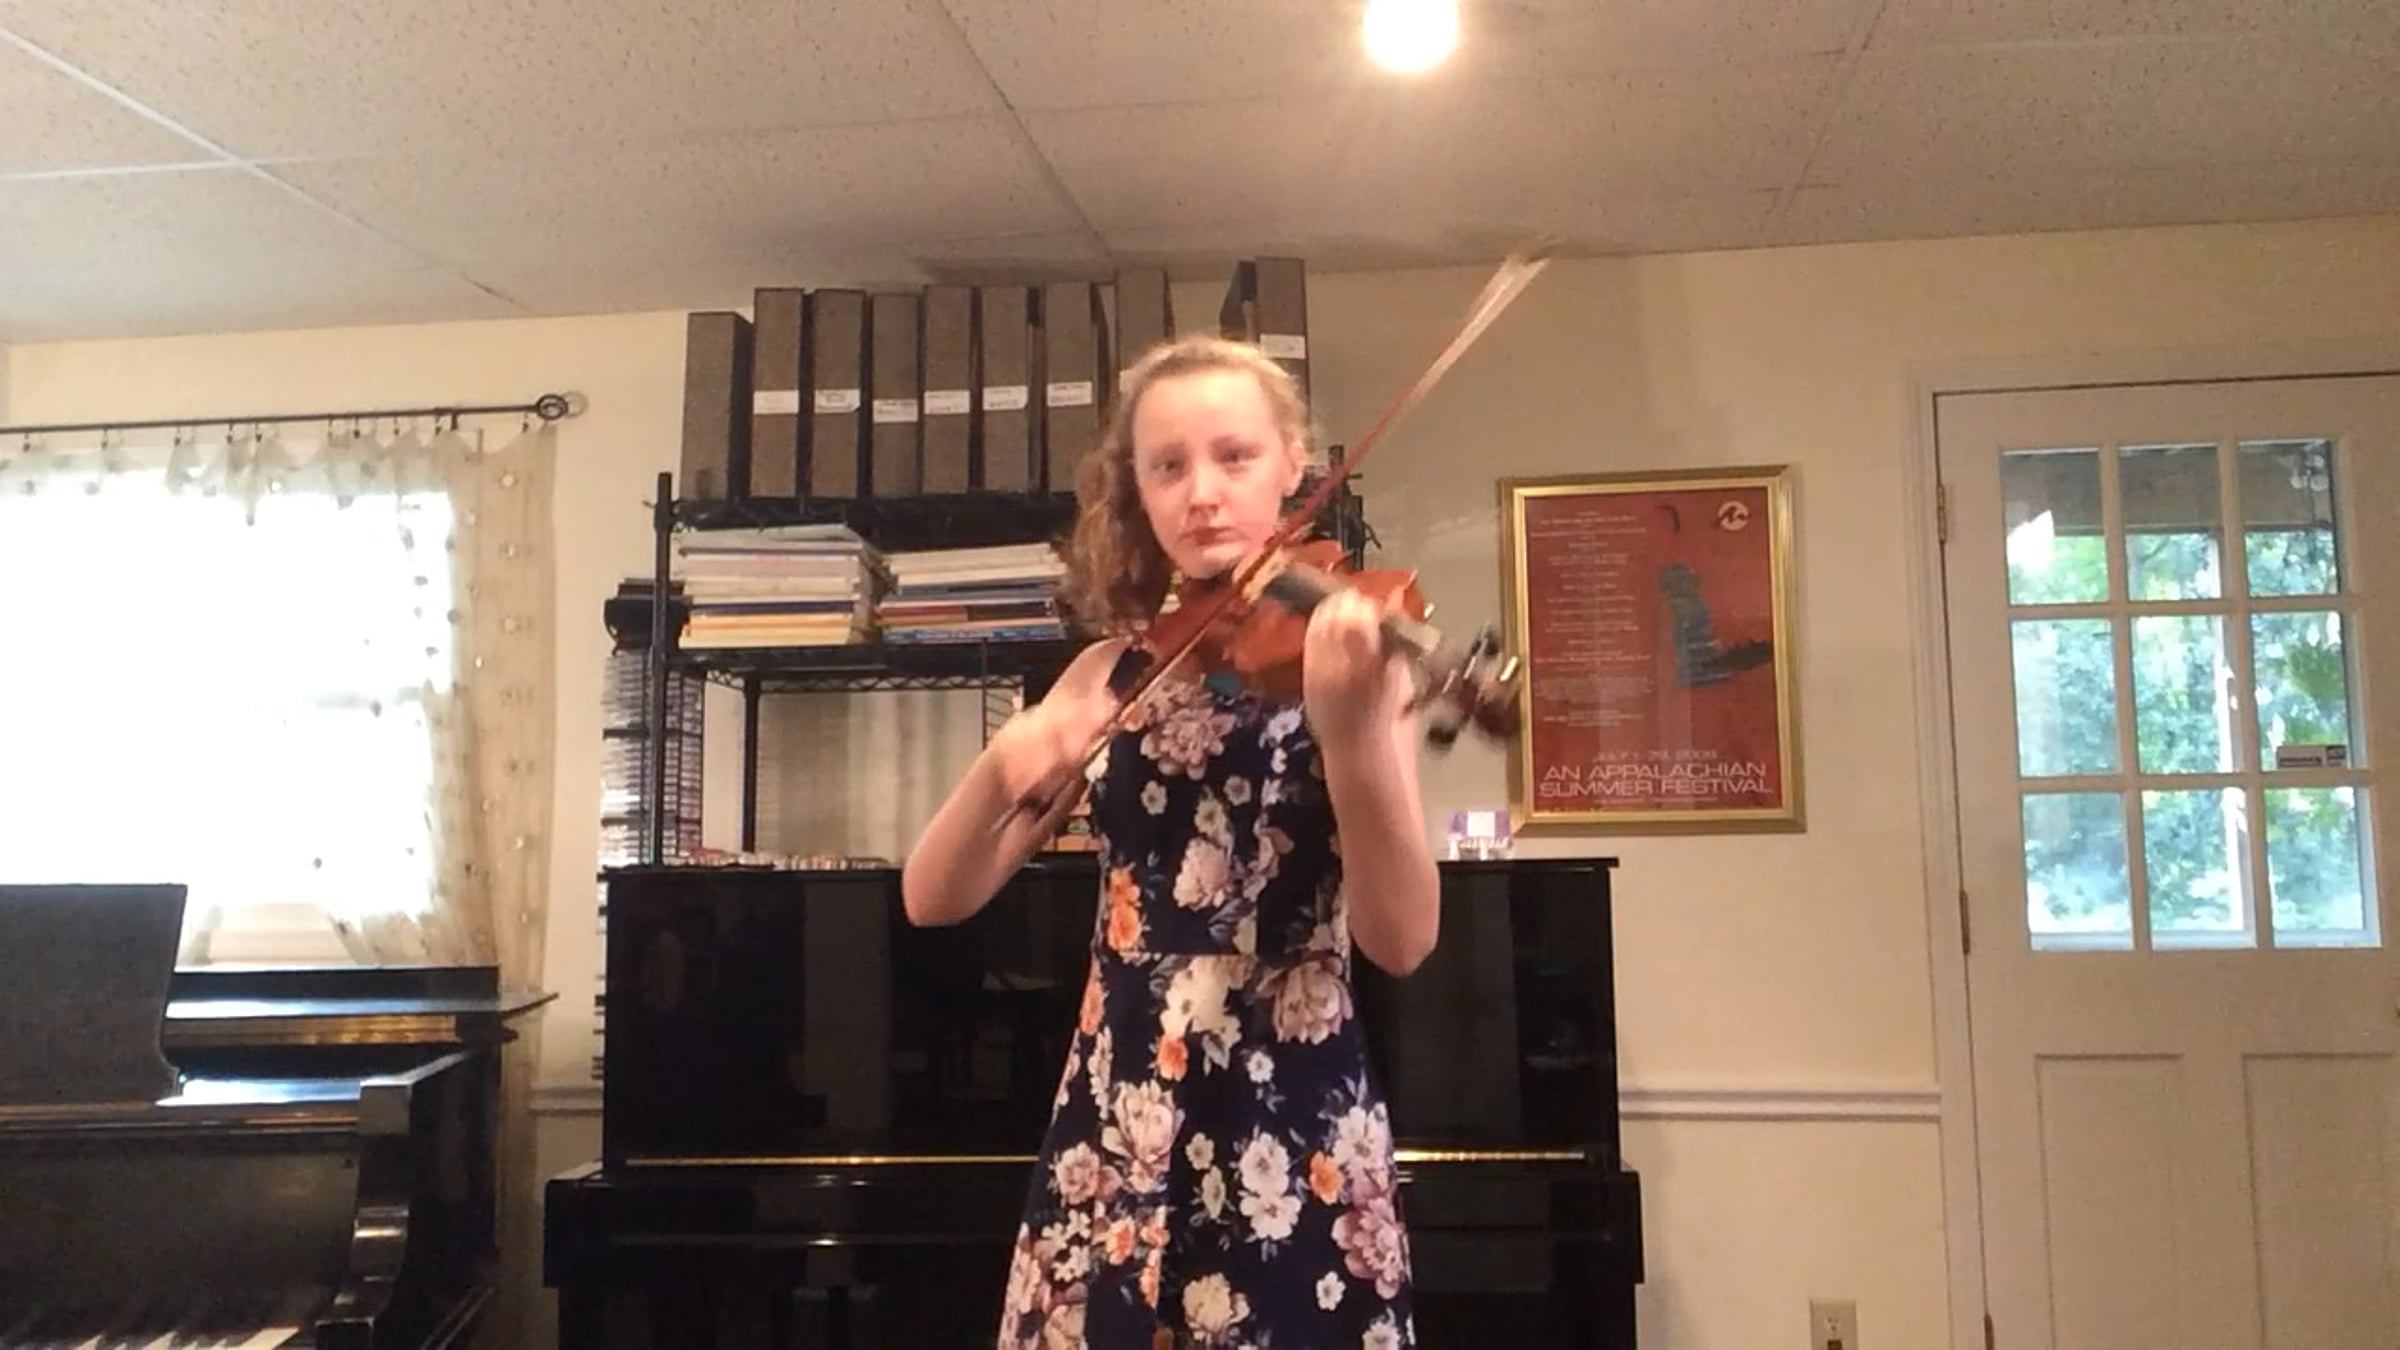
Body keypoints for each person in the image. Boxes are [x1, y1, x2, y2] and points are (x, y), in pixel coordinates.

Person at [901, 334, 1441, 1349]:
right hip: (1122, 1108)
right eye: (1168, 467)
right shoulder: (1108, 675)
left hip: (1293, 1111)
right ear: (1138, 493)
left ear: (1292, 465)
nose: (1203, 493)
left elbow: (1403, 939)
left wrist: (1355, 736)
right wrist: (1008, 761)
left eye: (1235, 457)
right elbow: (934, 897)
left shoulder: (1363, 663)